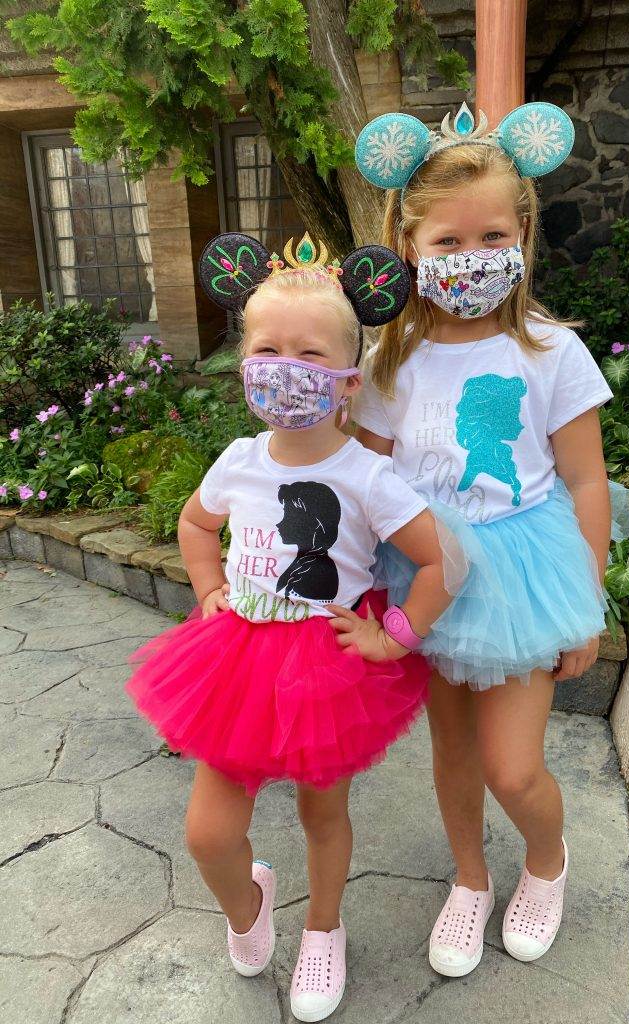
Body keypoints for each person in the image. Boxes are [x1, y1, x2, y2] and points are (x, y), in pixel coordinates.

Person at [126, 233, 453, 1022]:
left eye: (310, 353)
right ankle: (249, 903)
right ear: (243, 362)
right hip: (236, 659)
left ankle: (324, 928)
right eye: (268, 348)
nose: (287, 367)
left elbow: (443, 564)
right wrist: (208, 589)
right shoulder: (239, 460)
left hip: (325, 666)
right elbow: (196, 526)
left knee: (322, 812)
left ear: (346, 379)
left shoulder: (366, 474)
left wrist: (395, 635)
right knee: (209, 833)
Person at [353, 102, 629, 977]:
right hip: (426, 572)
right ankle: (469, 880)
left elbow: (586, 479)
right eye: (446, 242)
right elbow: (362, 485)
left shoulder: (549, 351)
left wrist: (586, 603)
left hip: (521, 573)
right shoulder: (387, 364)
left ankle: (545, 863)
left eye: (490, 236)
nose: (470, 257)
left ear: (519, 234)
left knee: (514, 769)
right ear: (408, 244)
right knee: (453, 754)